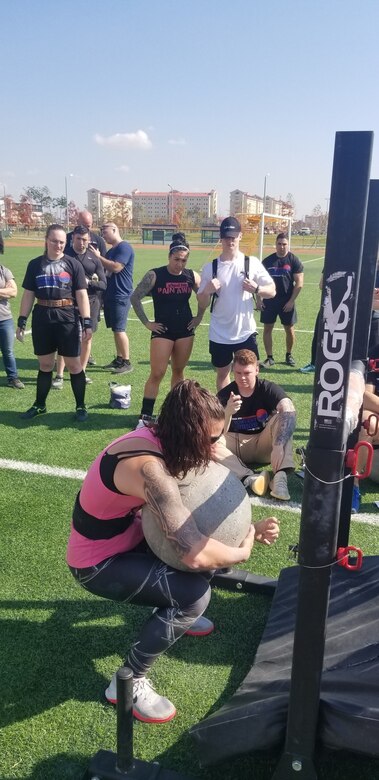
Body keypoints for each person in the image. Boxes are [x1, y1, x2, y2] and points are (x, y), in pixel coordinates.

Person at [66, 379, 280, 723]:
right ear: (187, 435)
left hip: (132, 539)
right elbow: (193, 553)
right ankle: (128, 682)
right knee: (194, 595)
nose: (216, 446)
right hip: (96, 564)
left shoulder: (164, 438)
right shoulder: (150, 471)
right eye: (210, 440)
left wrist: (250, 505)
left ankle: (175, 614)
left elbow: (220, 456)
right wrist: (241, 550)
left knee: (202, 561)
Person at [16, 224, 92, 422]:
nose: (58, 245)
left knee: (75, 366)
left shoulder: (73, 264)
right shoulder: (35, 264)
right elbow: (28, 294)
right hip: (42, 316)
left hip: (67, 316)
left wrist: (87, 321)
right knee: (46, 364)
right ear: (46, 240)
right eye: (54, 241)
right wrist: (22, 320)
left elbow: (81, 295)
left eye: (61, 242)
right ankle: (39, 405)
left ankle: (81, 406)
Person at [131, 232, 205, 425]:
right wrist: (147, 323)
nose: (180, 264)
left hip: (185, 330)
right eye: (176, 259)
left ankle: (175, 413)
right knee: (157, 372)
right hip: (163, 331)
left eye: (184, 260)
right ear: (169, 257)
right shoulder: (155, 275)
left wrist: (199, 317)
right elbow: (135, 297)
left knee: (179, 372)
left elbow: (204, 296)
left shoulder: (191, 275)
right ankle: (145, 416)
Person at [197, 217, 276, 391]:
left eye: (233, 236)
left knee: (250, 374)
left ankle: (251, 412)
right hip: (219, 333)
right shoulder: (211, 267)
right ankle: (226, 413)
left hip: (245, 333)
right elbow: (202, 303)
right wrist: (207, 290)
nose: (230, 241)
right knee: (223, 374)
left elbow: (272, 290)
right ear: (221, 238)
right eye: (226, 237)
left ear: (240, 236)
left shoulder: (251, 262)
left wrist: (257, 289)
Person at [213, 349, 296, 501]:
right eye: (238, 373)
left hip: (263, 444)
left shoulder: (267, 388)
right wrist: (227, 412)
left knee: (284, 417)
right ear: (233, 370)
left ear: (257, 370)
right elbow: (215, 431)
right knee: (209, 441)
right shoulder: (226, 394)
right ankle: (249, 478)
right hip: (235, 446)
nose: (242, 377)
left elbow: (288, 409)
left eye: (247, 373)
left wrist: (278, 446)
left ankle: (280, 478)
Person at [51, 225, 107, 388]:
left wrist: (90, 282)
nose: (81, 243)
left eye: (84, 239)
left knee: (87, 338)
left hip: (91, 303)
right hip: (68, 303)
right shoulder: (64, 256)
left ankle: (81, 372)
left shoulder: (94, 258)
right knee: (64, 338)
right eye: (78, 239)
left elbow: (104, 284)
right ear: (72, 239)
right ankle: (60, 375)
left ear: (89, 239)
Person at [91, 222, 134, 374]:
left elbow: (116, 267)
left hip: (121, 294)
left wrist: (98, 257)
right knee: (115, 329)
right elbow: (107, 271)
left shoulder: (124, 247)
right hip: (111, 294)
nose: (103, 234)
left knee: (119, 329)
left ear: (115, 229)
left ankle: (127, 362)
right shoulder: (112, 250)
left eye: (105, 230)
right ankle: (120, 359)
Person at [260, 233, 304, 367]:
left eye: (284, 244)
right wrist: (259, 299)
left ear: (288, 245)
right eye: (279, 244)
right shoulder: (267, 262)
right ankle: (269, 357)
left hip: (287, 301)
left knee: (289, 329)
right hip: (269, 300)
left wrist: (291, 301)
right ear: (275, 244)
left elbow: (299, 283)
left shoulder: (294, 260)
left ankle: (288, 355)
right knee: (268, 328)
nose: (282, 247)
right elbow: (258, 282)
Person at [0, 263, 24, 388]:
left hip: (4, 319)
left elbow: (14, 292)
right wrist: (4, 291)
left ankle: (13, 378)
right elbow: (8, 292)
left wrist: (7, 291)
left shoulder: (4, 270)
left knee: (8, 351)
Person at [299, 272, 323, 373]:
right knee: (318, 335)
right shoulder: (332, 261)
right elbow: (321, 285)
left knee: (319, 335)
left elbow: (321, 285)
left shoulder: (333, 260)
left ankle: (315, 364)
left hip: (332, 305)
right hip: (330, 305)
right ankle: (314, 364)